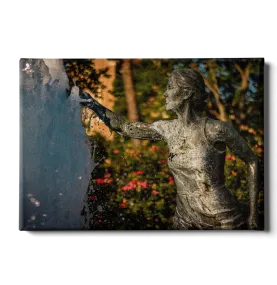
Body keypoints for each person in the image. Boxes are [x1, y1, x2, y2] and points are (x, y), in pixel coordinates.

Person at [80, 68, 260, 230]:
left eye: (170, 87)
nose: (165, 93)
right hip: (184, 215)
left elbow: (251, 160)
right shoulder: (167, 129)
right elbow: (125, 127)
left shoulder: (217, 129)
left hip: (220, 216)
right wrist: (92, 103)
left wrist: (253, 214)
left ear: (187, 93)